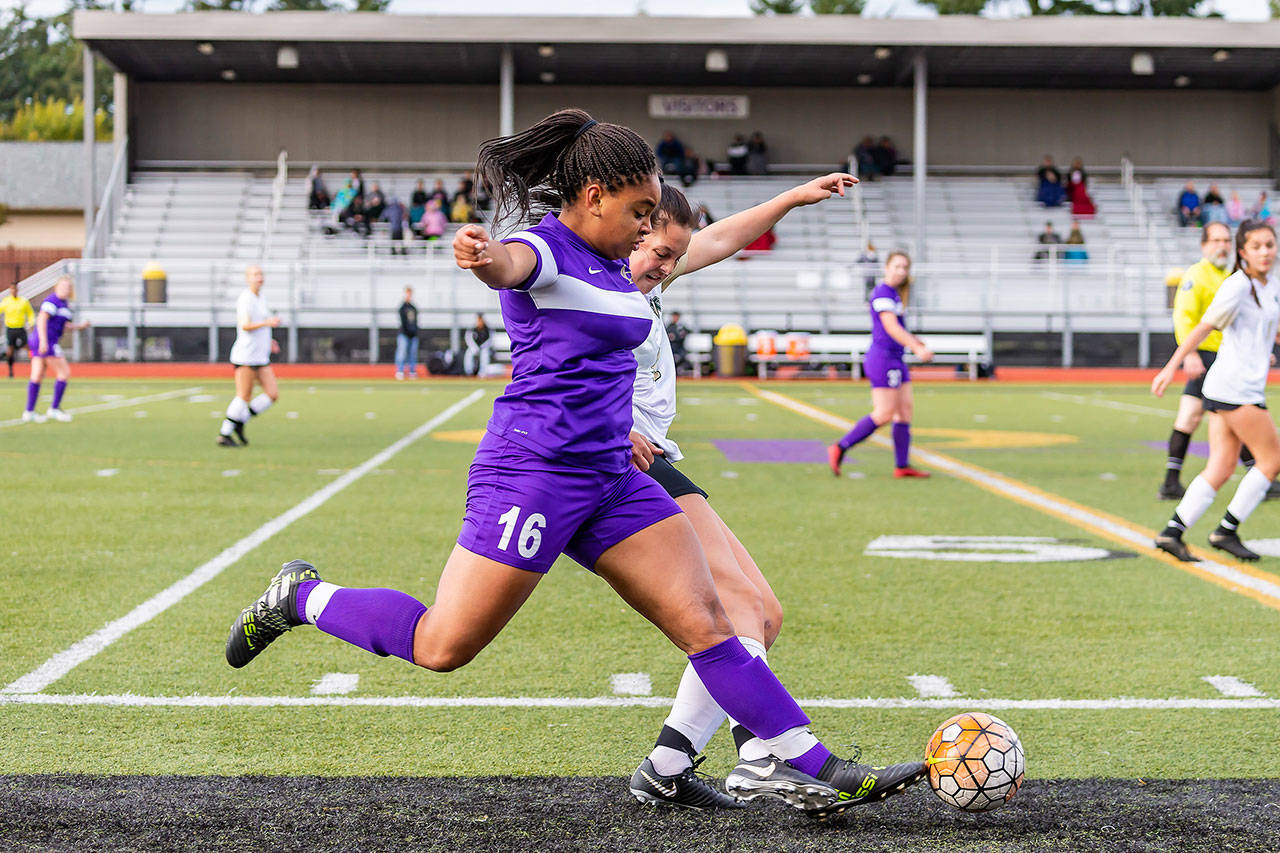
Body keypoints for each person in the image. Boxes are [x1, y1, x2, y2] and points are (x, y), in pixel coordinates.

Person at [223, 109, 924, 820]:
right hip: (532, 475)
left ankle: (810, 761)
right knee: (443, 645)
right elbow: (509, 264)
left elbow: (703, 242)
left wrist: (789, 200)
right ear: (593, 197)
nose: (651, 231)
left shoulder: (624, 263)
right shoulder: (545, 247)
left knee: (712, 622)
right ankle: (299, 596)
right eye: (639, 213)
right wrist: (478, 254)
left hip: (614, 482)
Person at [626, 176, 879, 811]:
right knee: (737, 606)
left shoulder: (646, 280)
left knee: (762, 612)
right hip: (623, 467)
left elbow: (723, 238)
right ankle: (762, 754)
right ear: (631, 231)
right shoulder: (598, 288)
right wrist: (615, 425)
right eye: (657, 252)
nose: (665, 266)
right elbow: (542, 368)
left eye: (674, 258)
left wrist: (792, 199)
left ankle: (669, 761)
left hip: (656, 457)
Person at [1152, 220, 1280, 562]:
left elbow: (1269, 330)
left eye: (1270, 245)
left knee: (1222, 466)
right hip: (1237, 388)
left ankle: (1172, 533)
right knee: (1271, 461)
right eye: (1256, 247)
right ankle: (1226, 530)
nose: (1265, 252)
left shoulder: (1268, 285)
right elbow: (1202, 326)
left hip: (1231, 385)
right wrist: (1172, 366)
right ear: (1243, 252)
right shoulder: (1237, 286)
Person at [828, 251, 933, 479]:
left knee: (904, 411)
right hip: (883, 358)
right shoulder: (882, 292)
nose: (901, 271)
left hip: (895, 358)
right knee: (884, 413)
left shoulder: (894, 294)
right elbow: (891, 327)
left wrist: (913, 342)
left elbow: (897, 328)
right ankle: (840, 447)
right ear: (886, 268)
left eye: (905, 267)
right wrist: (916, 347)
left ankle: (902, 466)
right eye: (897, 266)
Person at [216, 265, 280, 447]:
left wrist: (269, 340)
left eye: (261, 274)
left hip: (260, 355)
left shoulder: (261, 298)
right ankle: (225, 432)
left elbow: (260, 325)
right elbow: (245, 325)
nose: (259, 278)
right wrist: (267, 323)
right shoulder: (246, 299)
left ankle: (240, 420)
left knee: (272, 394)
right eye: (255, 275)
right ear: (247, 278)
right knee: (243, 395)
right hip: (246, 355)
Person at [22, 275, 89, 423]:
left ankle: (29, 411)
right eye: (63, 286)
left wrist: (80, 327)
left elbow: (64, 325)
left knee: (37, 375)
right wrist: (44, 342)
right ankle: (54, 409)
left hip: (44, 341)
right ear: (56, 287)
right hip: (46, 341)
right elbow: (41, 319)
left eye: (68, 287)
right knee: (64, 373)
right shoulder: (52, 301)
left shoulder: (64, 304)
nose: (66, 289)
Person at [1, 283, 35, 378]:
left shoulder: (23, 301)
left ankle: (34, 368)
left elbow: (30, 314)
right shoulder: (6, 301)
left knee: (28, 346)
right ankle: (10, 372)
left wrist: (31, 324)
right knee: (10, 350)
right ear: (10, 290)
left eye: (15, 289)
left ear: (17, 290)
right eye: (11, 289)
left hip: (20, 328)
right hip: (10, 329)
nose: (13, 291)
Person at [395, 287, 418, 380]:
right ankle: (400, 371)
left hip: (413, 334)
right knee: (402, 352)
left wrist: (415, 331)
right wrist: (407, 331)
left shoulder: (413, 308)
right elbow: (403, 322)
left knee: (412, 353)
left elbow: (415, 321)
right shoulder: (402, 308)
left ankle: (412, 371)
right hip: (404, 334)